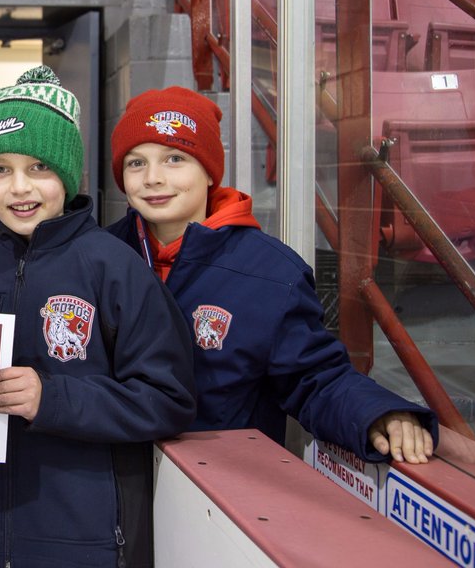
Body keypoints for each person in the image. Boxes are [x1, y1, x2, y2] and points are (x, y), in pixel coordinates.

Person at [0, 67, 197, 568]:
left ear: (69, 172)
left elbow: (169, 399)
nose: (19, 187)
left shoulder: (113, 266)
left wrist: (51, 397)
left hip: (88, 544)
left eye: (39, 166)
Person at [105, 86, 439, 463]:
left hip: (218, 494)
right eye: (136, 163)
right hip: (112, 489)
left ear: (210, 171)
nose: (153, 178)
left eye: (175, 159)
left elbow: (314, 378)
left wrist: (377, 412)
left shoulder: (270, 273)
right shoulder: (98, 257)